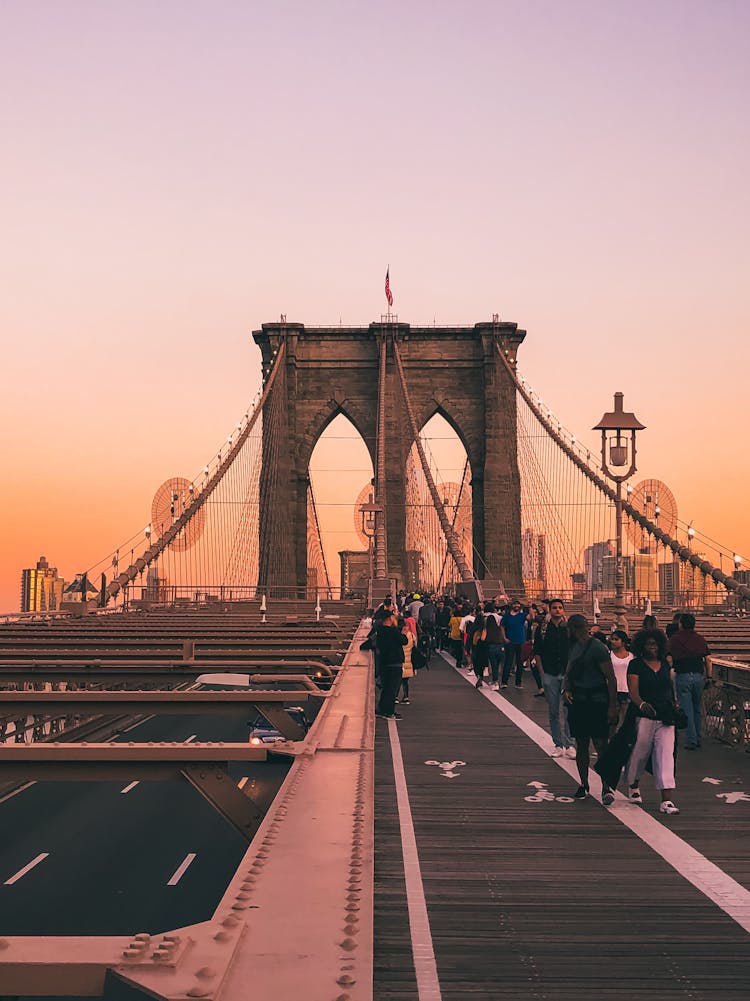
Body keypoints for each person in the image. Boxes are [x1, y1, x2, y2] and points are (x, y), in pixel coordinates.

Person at [563, 614, 617, 803]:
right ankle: (584, 784)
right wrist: (567, 688)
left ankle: (606, 786)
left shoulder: (597, 648)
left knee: (600, 744)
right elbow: (570, 670)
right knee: (583, 744)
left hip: (597, 700)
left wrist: (612, 705)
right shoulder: (574, 646)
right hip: (579, 700)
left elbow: (610, 677)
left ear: (573, 628)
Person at [626, 628, 680, 814]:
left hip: (665, 716)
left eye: (655, 644)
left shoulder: (665, 663)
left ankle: (666, 801)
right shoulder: (636, 665)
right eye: (649, 644)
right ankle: (633, 785)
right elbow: (633, 691)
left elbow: (670, 688)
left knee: (666, 755)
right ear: (642, 646)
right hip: (645, 716)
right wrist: (641, 704)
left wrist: (675, 705)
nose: (652, 647)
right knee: (640, 753)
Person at [533, 598, 574, 758]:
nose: (557, 610)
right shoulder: (542, 629)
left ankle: (570, 744)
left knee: (569, 710)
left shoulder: (569, 629)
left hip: (566, 674)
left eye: (560, 607)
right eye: (554, 607)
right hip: (549, 673)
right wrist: (542, 673)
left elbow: (574, 651)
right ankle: (558, 744)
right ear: (549, 610)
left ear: (563, 610)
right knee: (553, 711)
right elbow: (537, 651)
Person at [667, 613, 712, 750]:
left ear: (681, 624)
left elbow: (669, 659)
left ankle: (691, 740)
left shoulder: (675, 639)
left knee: (687, 709)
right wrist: (709, 677)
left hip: (683, 675)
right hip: (699, 676)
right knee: (697, 708)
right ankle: (698, 736)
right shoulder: (700, 639)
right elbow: (708, 659)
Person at [375, 612, 408, 720]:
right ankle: (389, 712)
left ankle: (381, 709)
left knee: (386, 688)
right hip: (395, 663)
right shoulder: (393, 631)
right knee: (392, 689)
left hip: (384, 663)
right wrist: (403, 633)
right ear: (389, 619)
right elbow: (404, 641)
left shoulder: (379, 630)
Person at [609, 629, 634, 728]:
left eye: (616, 639)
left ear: (623, 642)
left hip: (627, 690)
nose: (613, 641)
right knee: (612, 721)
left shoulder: (631, 656)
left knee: (625, 721)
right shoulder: (609, 654)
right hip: (613, 690)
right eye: (612, 639)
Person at [501, 600, 527, 688]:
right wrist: (504, 637)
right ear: (511, 605)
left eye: (518, 604)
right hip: (510, 642)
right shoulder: (506, 616)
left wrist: (530, 607)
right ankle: (504, 682)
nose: (516, 605)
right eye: (515, 604)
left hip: (520, 641)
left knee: (519, 663)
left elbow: (531, 617)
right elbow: (502, 627)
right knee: (508, 661)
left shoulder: (522, 615)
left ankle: (518, 683)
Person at [484, 601, 506, 690]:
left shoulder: (487, 619)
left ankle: (495, 682)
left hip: (491, 644)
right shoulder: (500, 618)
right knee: (497, 663)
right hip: (500, 643)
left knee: (493, 663)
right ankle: (496, 681)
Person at [399, 618, 416, 704]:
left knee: (397, 680)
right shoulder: (412, 635)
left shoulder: (399, 635)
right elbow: (415, 645)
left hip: (400, 660)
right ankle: (406, 697)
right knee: (405, 681)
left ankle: (395, 697)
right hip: (409, 661)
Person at [471, 611, 488, 687]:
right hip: (482, 647)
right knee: (481, 663)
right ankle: (480, 676)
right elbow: (484, 639)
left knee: (475, 663)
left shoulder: (473, 628)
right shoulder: (484, 628)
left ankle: (478, 676)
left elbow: (469, 638)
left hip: (474, 647)